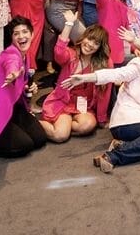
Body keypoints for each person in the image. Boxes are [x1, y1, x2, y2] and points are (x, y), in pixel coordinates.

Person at [61, 36, 140, 173]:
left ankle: (128, 146)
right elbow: (115, 74)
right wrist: (86, 78)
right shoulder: (138, 66)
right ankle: (113, 156)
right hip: (126, 122)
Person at [0, 17, 48, 157]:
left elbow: (17, 84)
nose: (21, 36)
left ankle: (11, 128)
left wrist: (25, 88)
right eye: (16, 33)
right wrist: (12, 74)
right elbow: (11, 65)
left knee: (40, 139)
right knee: (25, 146)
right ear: (11, 38)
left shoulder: (26, 55)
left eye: (25, 32)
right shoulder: (11, 54)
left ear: (32, 34)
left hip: (13, 106)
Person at [38, 14, 111, 143]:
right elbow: (59, 52)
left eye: (96, 43)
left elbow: (104, 93)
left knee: (87, 125)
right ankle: (33, 123)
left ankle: (63, 124)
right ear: (83, 38)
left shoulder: (104, 64)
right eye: (89, 39)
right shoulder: (71, 55)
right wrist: (69, 24)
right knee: (60, 136)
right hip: (63, 102)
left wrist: (101, 119)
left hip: (83, 107)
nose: (90, 45)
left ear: (100, 47)